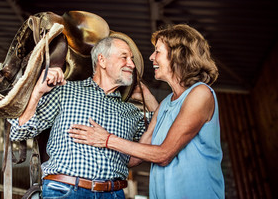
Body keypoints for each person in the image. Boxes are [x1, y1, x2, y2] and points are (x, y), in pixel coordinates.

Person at [68, 24, 225, 199]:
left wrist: (106, 139)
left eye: (157, 51)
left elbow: (163, 154)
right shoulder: (166, 104)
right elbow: (136, 157)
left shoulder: (200, 93)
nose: (151, 57)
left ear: (178, 55)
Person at [8, 35, 158, 198]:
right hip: (66, 190)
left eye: (132, 59)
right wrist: (37, 92)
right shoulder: (65, 91)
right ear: (102, 60)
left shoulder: (131, 112)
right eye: (124, 57)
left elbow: (165, 132)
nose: (132, 64)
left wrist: (148, 96)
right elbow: (18, 132)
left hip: (114, 193)